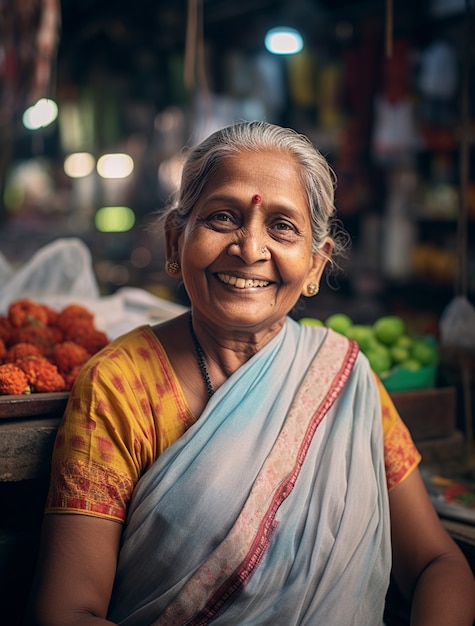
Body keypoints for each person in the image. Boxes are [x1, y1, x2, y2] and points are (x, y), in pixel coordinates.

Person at [26, 121, 475, 626]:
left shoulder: (343, 376)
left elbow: (439, 563)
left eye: (282, 226)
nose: (250, 247)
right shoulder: (120, 384)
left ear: (314, 266)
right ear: (176, 241)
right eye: (222, 217)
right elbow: (66, 612)